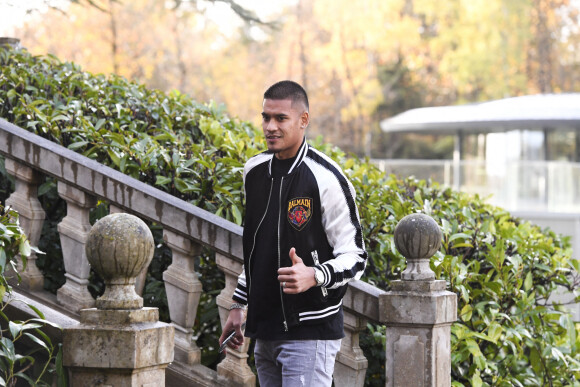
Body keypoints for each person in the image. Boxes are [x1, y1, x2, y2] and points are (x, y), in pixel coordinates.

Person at [219, 80, 367, 386]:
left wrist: (315, 275)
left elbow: (356, 256)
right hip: (265, 330)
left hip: (309, 331)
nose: (270, 127)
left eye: (280, 118)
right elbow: (256, 248)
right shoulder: (254, 171)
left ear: (304, 120)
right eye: (265, 117)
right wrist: (238, 305)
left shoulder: (326, 178)